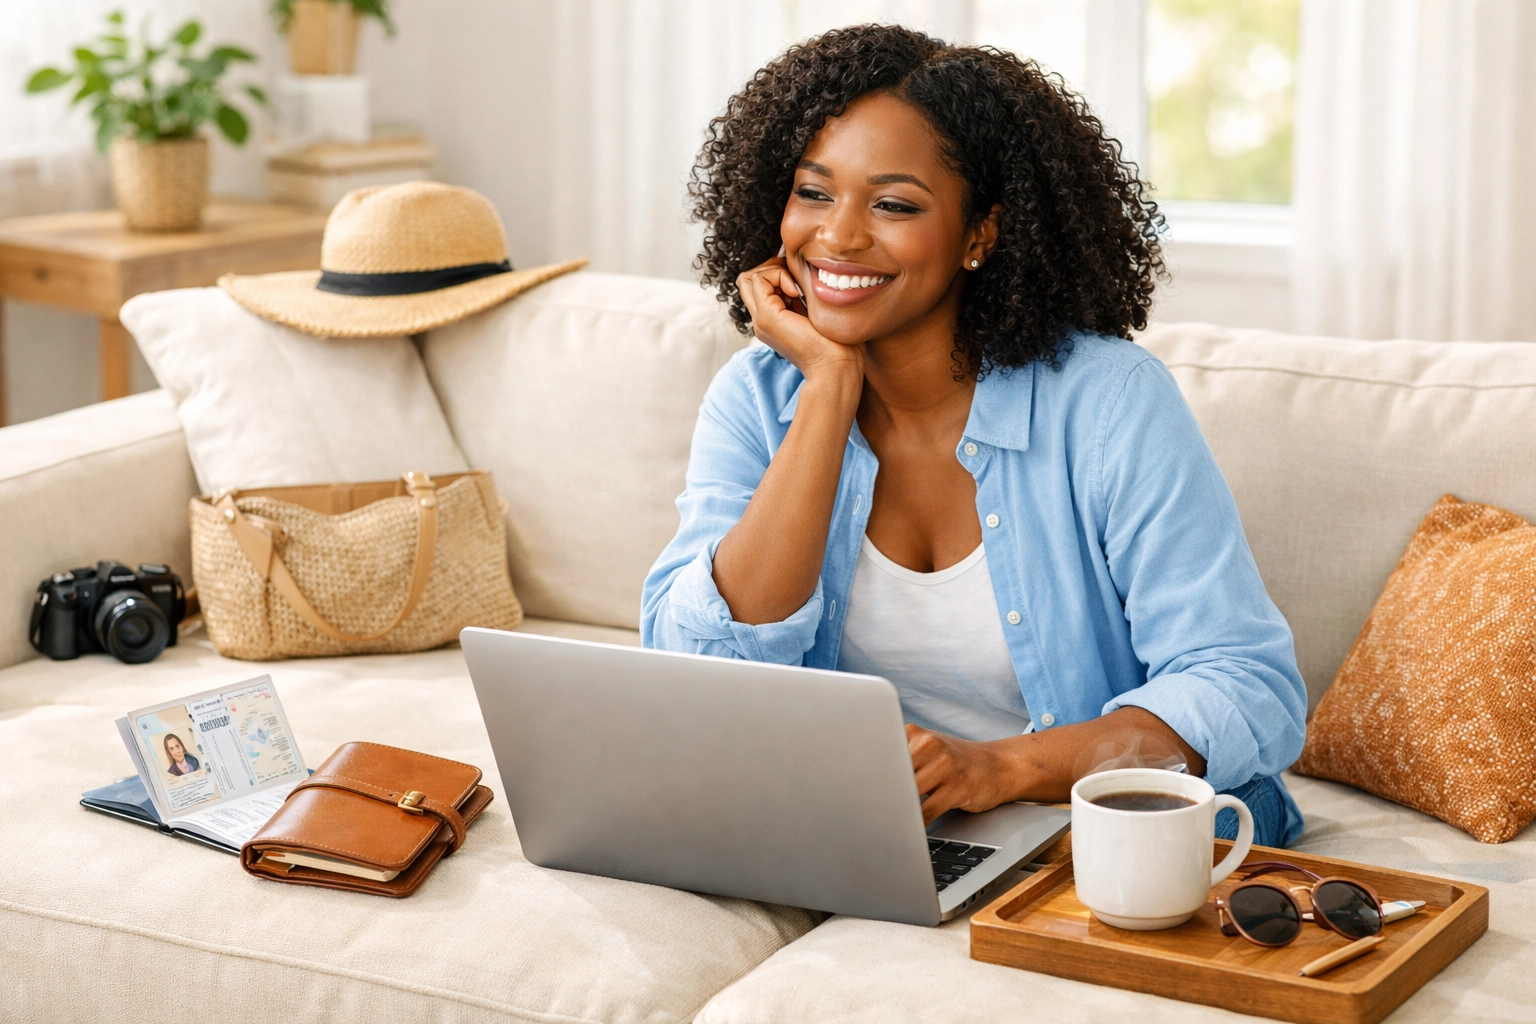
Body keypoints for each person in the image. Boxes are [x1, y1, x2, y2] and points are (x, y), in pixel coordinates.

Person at [642, 25, 1306, 847]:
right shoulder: (760, 397)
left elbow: (1245, 686)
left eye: (894, 204)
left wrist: (996, 769)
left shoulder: (1107, 403)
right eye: (814, 193)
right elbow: (699, 673)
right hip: (862, 831)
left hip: (1082, 827)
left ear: (980, 235)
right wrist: (828, 387)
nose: (839, 237)